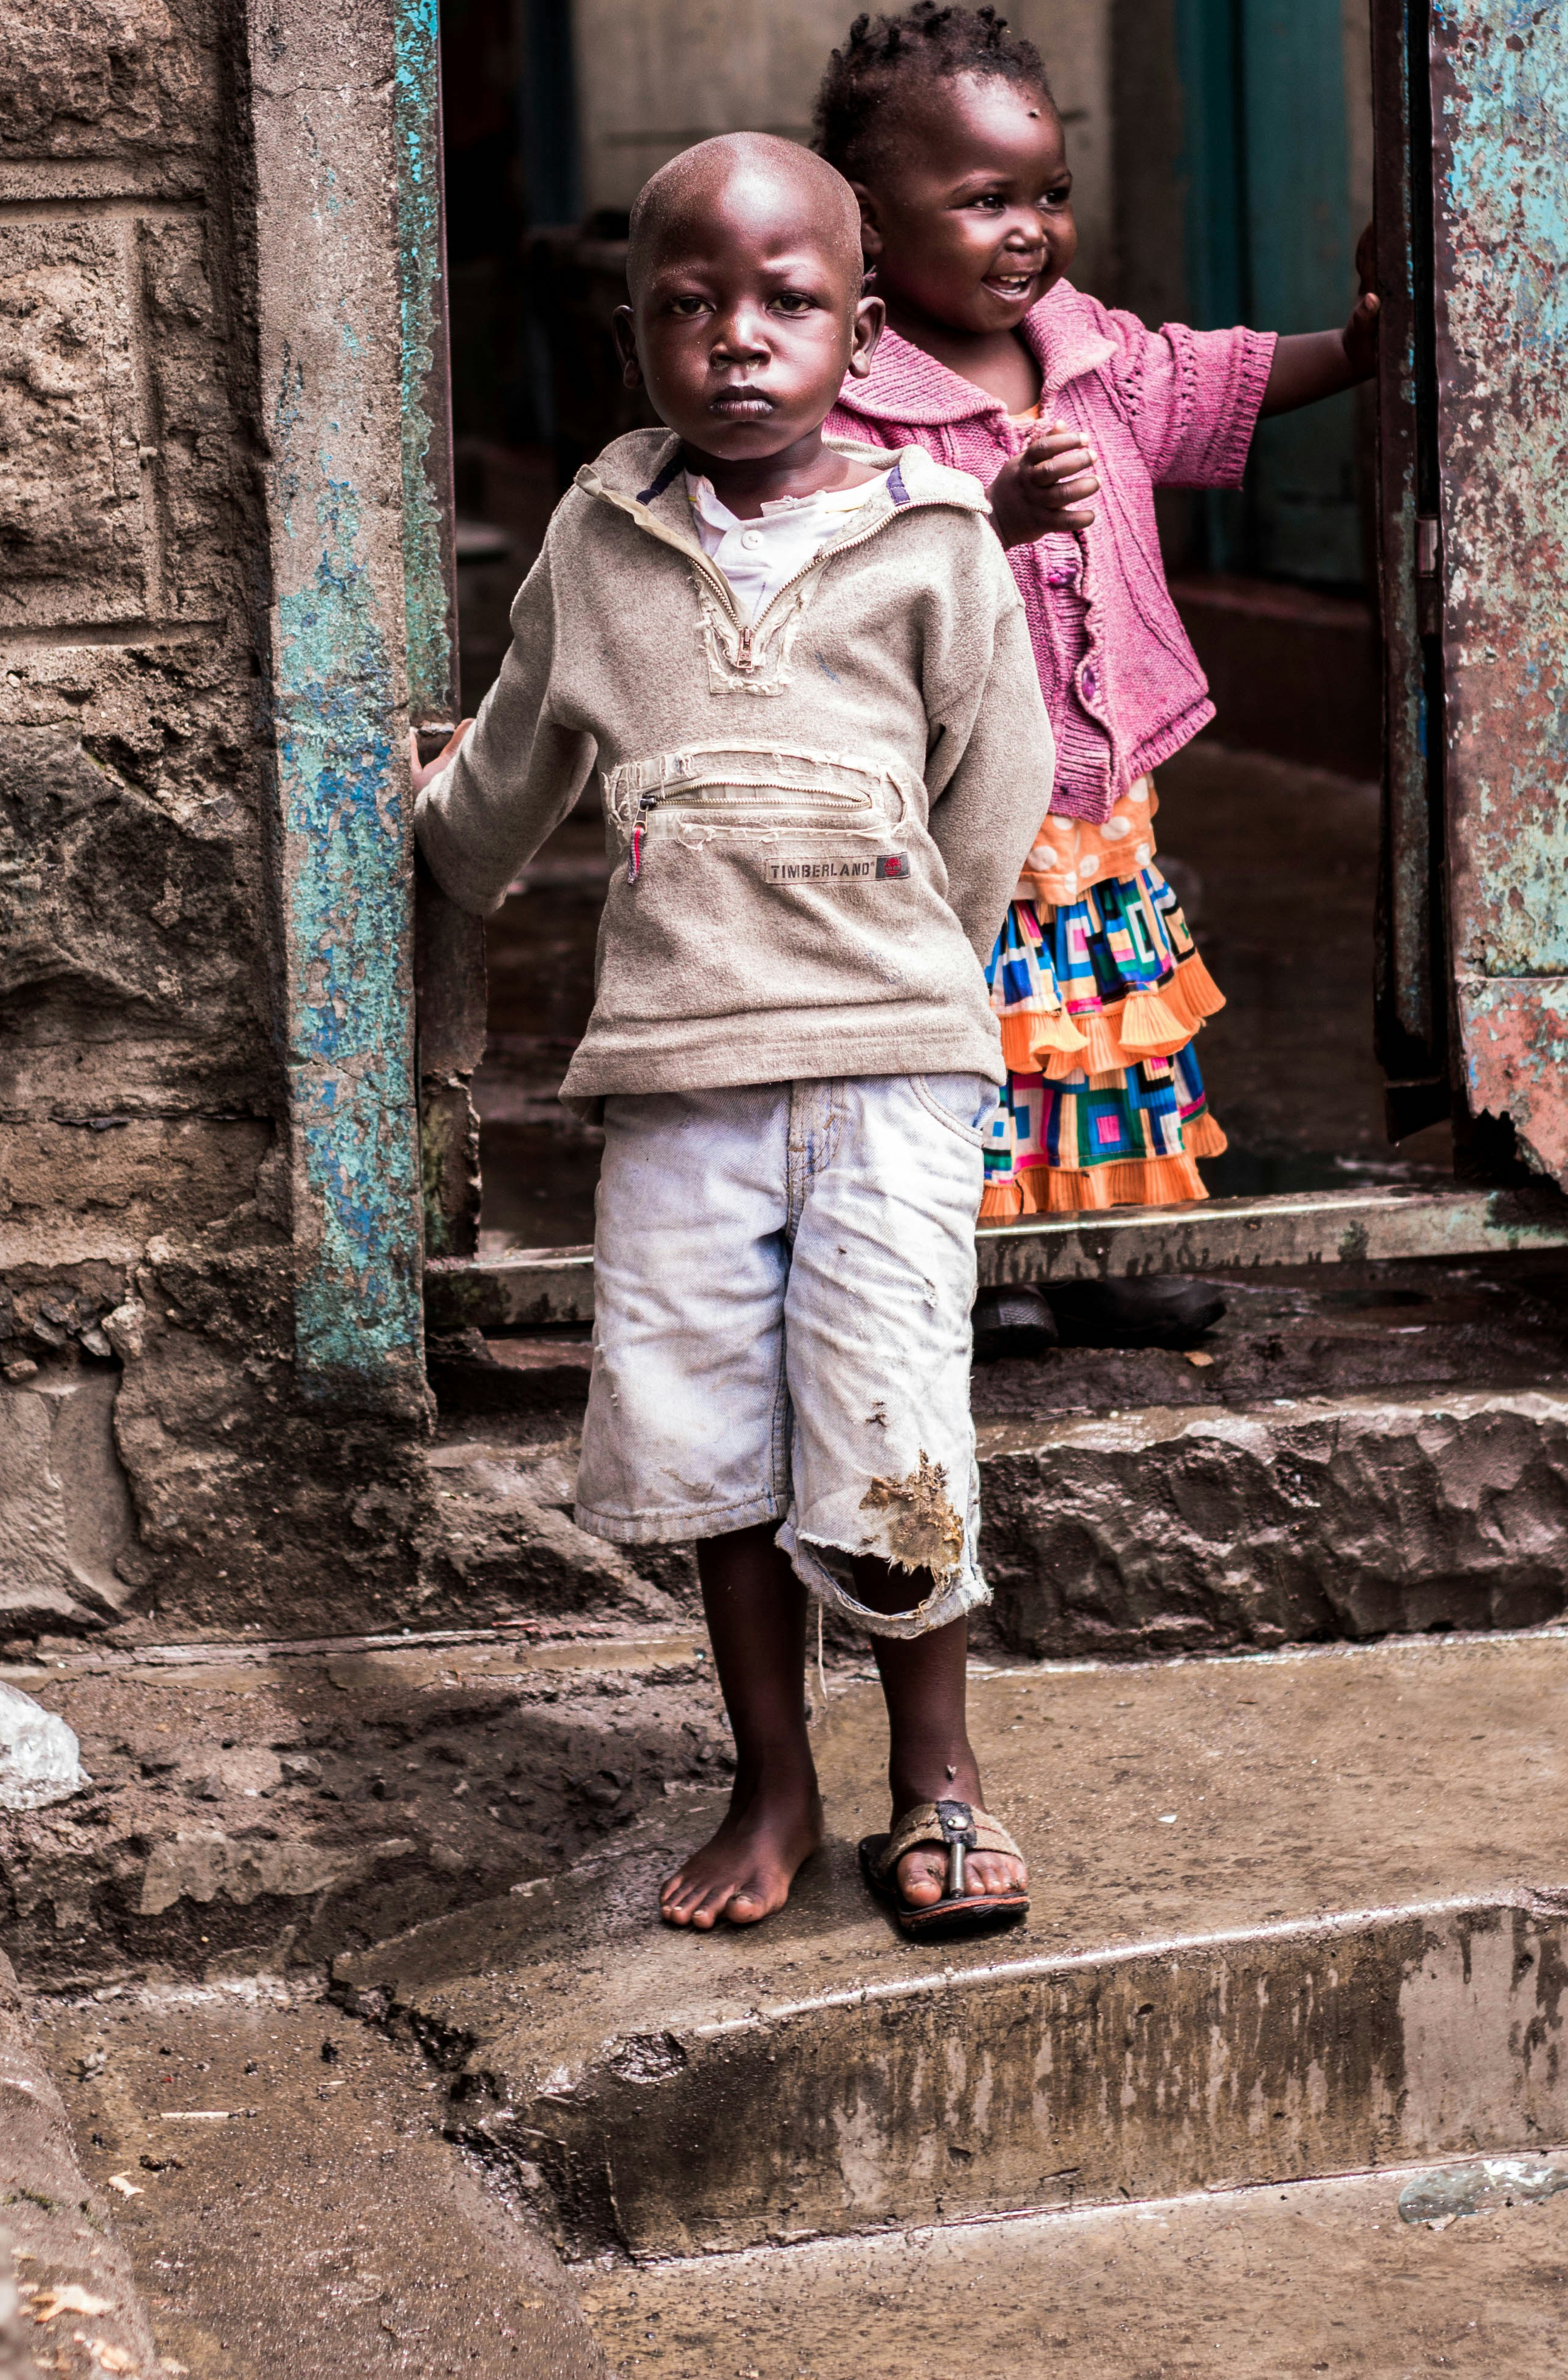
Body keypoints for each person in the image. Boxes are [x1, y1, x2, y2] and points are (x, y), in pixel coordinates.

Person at [413, 132, 1055, 1938]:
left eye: (787, 302)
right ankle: (772, 1777)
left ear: (859, 331)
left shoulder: (932, 542)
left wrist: (919, 973)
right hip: (682, 1087)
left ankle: (938, 1779)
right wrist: (425, 820)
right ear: (638, 338)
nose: (740, 341)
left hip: (889, 1068)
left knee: (890, 1420)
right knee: (715, 1441)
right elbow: (511, 779)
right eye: (689, 306)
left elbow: (991, 797)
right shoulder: (602, 546)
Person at [813, 0, 1378, 1284]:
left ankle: (1121, 1236)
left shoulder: (1092, 354)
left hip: (1102, 785)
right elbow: (836, 569)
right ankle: (990, 1259)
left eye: (1049, 195)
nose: (1030, 232)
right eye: (982, 200)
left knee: (1111, 1014)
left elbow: (1219, 377)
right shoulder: (852, 398)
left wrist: (1355, 348)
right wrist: (992, 515)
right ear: (866, 217)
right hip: (952, 798)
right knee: (984, 1025)